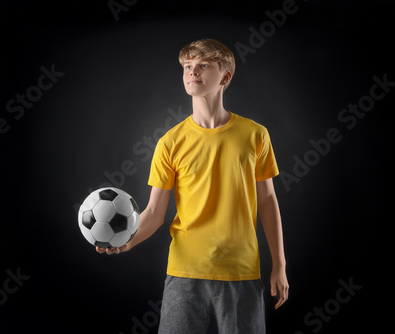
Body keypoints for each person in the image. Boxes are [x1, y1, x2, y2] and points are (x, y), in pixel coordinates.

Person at [96, 38, 289, 333]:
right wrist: (127, 242)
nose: (192, 72)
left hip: (240, 271)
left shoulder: (255, 135)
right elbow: (153, 213)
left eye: (203, 65)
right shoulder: (170, 143)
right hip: (184, 273)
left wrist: (280, 264)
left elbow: (268, 202)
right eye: (187, 66)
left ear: (225, 77)